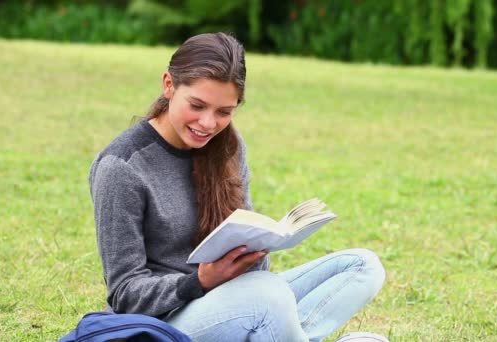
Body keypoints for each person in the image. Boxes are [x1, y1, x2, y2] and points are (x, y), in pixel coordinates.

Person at [89, 32, 386, 342]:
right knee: (268, 295)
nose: (207, 124)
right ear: (169, 85)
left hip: (237, 298)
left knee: (363, 266)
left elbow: (254, 268)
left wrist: (260, 245)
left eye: (224, 112)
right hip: (166, 322)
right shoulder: (121, 167)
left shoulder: (227, 146)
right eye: (197, 105)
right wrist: (200, 280)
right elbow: (124, 295)